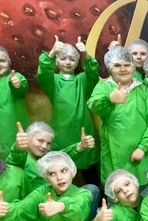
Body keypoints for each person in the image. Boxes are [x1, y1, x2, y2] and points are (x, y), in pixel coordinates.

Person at [88, 46, 148, 185]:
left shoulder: (144, 90)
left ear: (133, 67)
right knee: (118, 191)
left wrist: (143, 148)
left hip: (142, 156)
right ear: (110, 68)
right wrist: (109, 99)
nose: (123, 69)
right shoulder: (104, 87)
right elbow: (94, 105)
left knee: (144, 192)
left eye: (127, 65)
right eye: (117, 65)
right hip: (114, 155)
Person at [37, 37, 100, 183]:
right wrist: (51, 54)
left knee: (90, 176)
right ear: (57, 61)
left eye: (72, 59)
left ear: (77, 63)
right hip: (62, 133)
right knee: (62, 174)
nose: (67, 62)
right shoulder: (53, 81)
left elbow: (93, 74)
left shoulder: (81, 80)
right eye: (63, 58)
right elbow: (43, 74)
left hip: (83, 130)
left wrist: (86, 55)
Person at [7, 121, 57, 191]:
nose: (44, 146)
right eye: (40, 140)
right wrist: (18, 149)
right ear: (27, 138)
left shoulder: (43, 161)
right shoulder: (23, 160)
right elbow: (14, 162)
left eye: (48, 143)